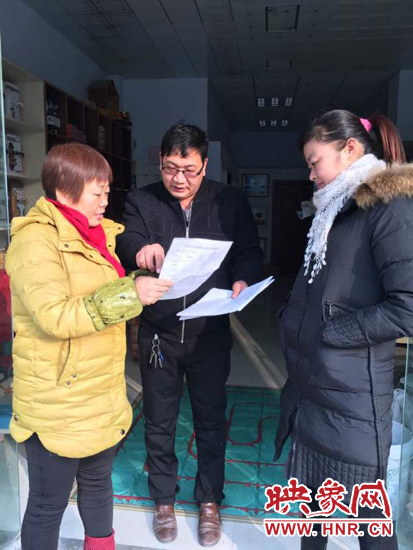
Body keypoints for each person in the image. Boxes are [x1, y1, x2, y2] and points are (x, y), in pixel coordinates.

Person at [5, 143, 173, 550]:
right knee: (48, 505)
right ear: (65, 192)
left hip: (99, 394)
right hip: (58, 401)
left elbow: (97, 294)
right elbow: (56, 316)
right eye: (97, 193)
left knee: (98, 488)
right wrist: (131, 294)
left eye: (107, 192)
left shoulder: (98, 236)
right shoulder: (35, 242)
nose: (105, 202)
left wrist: (137, 280)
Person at [116, 122, 262, 546]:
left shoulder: (229, 201)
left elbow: (249, 252)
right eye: (169, 168)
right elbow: (127, 240)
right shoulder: (141, 200)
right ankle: (163, 500)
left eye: (189, 170)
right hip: (159, 334)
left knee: (211, 420)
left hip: (209, 333)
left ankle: (210, 500)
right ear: (160, 162)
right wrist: (139, 250)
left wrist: (243, 279)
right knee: (159, 421)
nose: (178, 179)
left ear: (205, 165)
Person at [274, 109, 412, 549]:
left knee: (369, 521)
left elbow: (407, 307)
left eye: (314, 161)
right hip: (313, 386)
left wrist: (333, 332)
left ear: (349, 148)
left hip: (352, 398)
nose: (311, 174)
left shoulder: (389, 209)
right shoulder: (333, 210)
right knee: (312, 508)